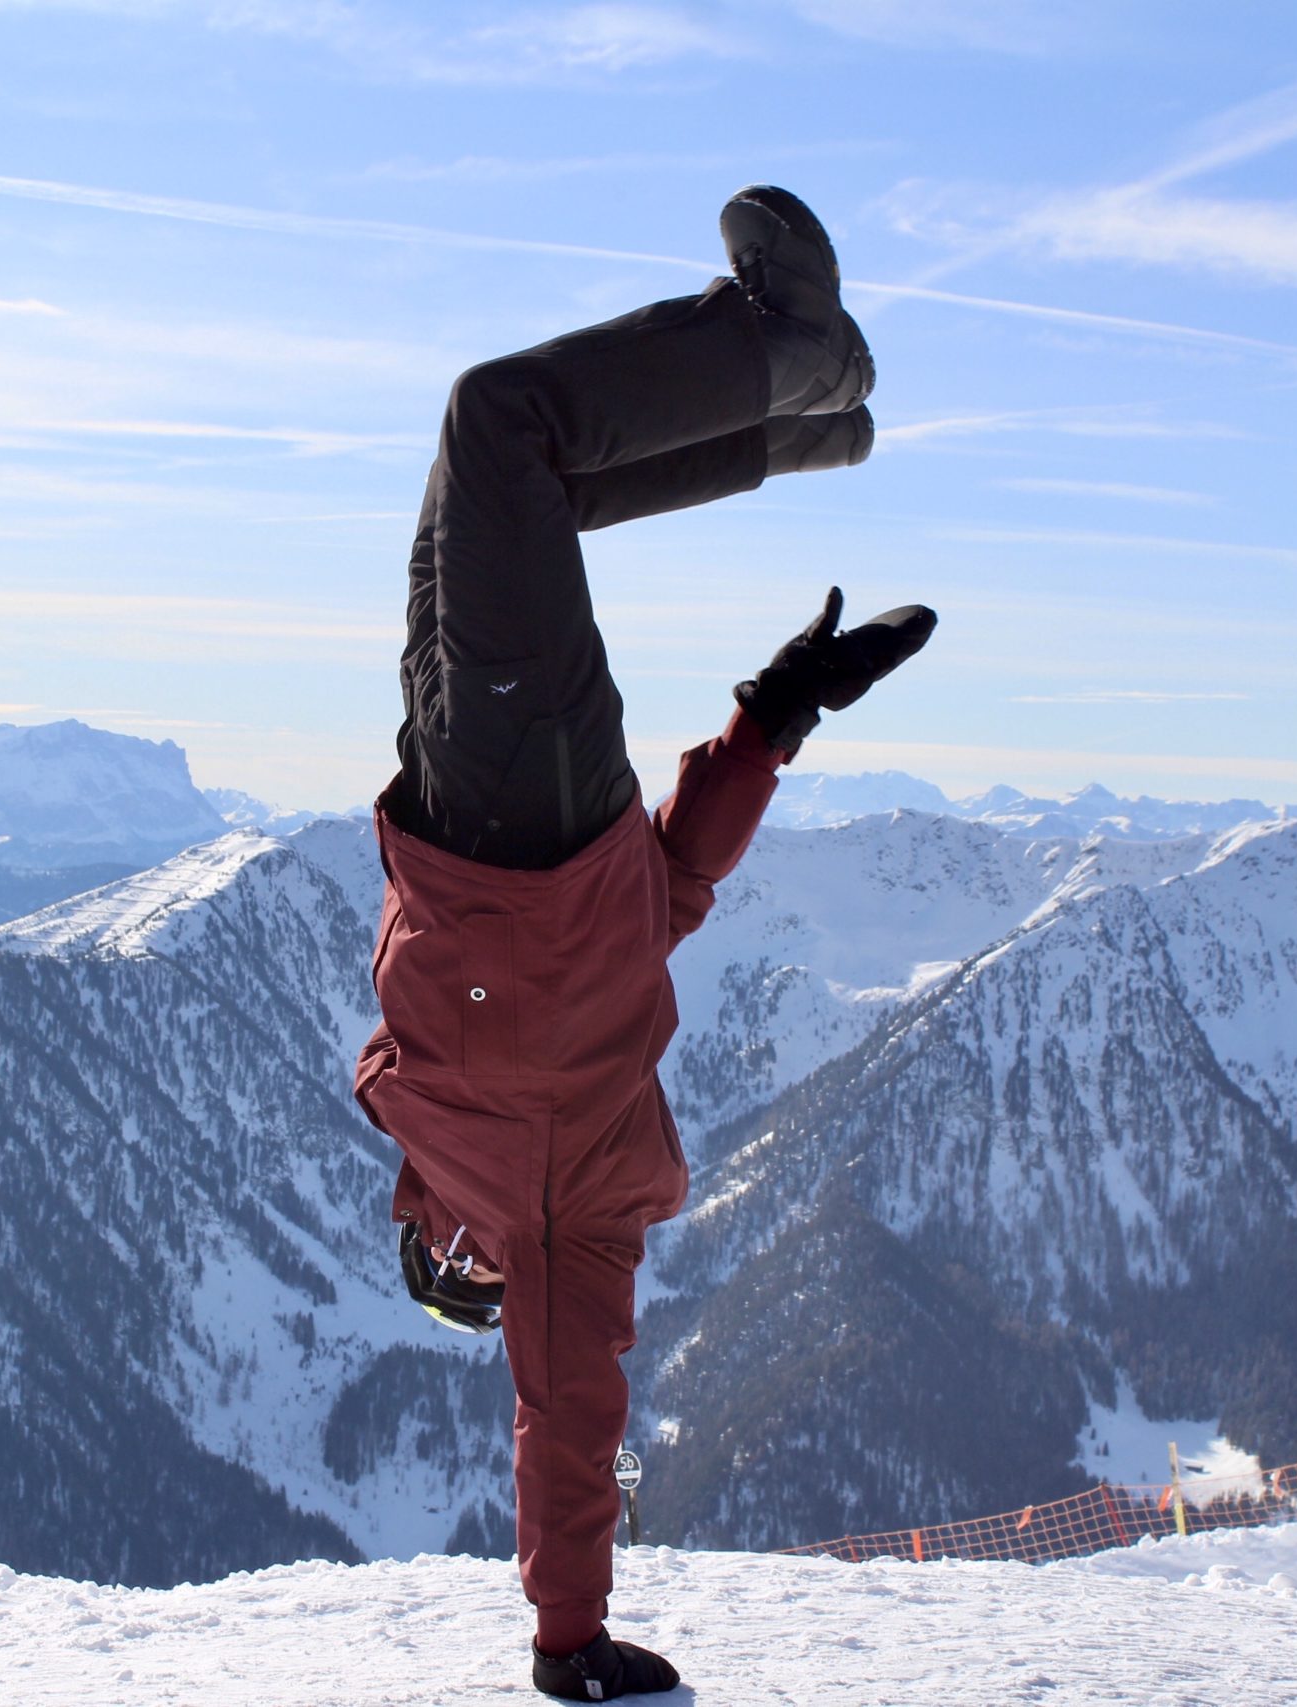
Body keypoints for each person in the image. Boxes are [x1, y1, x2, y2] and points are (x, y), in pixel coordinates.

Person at [351, 186, 939, 1700]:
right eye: (447, 1268)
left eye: (430, 1258)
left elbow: (672, 894)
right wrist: (569, 1646)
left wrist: (774, 717)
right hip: (520, 817)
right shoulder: (569, 1218)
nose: (431, 1247)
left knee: (482, 481)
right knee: (497, 427)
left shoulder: (440, 1127)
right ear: (480, 1264)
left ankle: (807, 426)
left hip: (457, 790)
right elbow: (568, 1424)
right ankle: (785, 352)